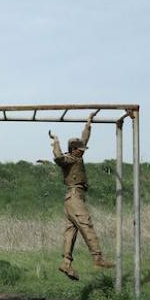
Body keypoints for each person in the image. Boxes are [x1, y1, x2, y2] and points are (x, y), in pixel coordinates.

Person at [50, 113, 114, 281]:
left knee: (71, 231)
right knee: (86, 224)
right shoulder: (69, 159)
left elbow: (84, 140)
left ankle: (66, 262)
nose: (83, 150)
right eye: (80, 149)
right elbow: (57, 157)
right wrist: (55, 141)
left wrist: (88, 123)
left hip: (74, 198)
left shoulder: (77, 156)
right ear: (73, 149)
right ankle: (97, 257)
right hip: (74, 197)